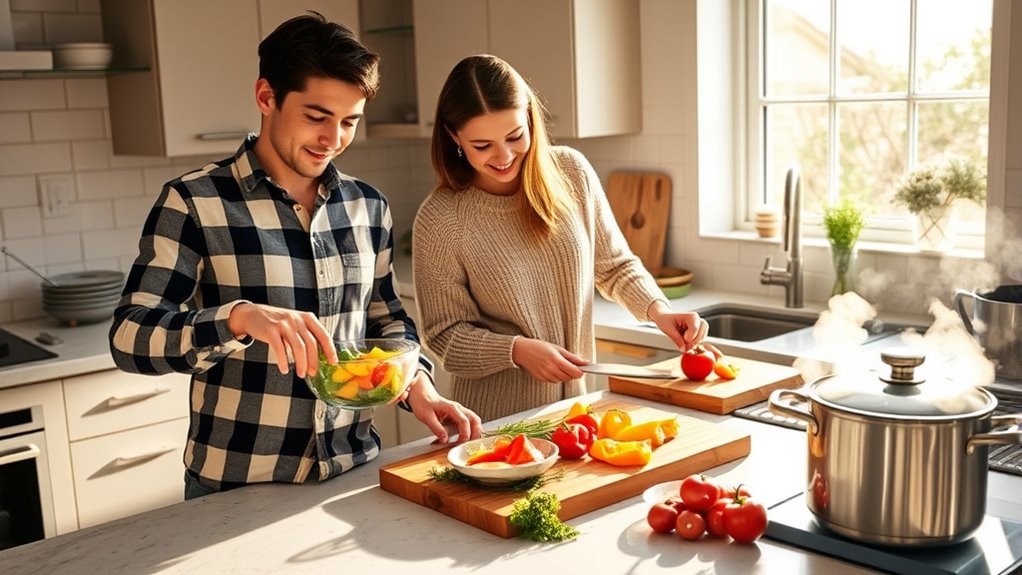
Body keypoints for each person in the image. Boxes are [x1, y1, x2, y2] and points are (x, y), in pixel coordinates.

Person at [109, 13, 482, 499]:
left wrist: (418, 386)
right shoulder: (195, 202)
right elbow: (130, 336)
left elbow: (387, 322)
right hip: (237, 485)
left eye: (349, 122)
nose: (333, 140)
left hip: (354, 474)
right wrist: (239, 319)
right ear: (266, 97)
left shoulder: (367, 207)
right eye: (316, 117)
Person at [412, 55, 709, 422]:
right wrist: (516, 350)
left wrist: (658, 310)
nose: (504, 156)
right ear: (454, 137)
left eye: (515, 136)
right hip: (495, 425)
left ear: (531, 120)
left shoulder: (571, 172)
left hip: (574, 414)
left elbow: (614, 266)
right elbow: (445, 337)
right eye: (482, 145)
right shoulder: (440, 219)